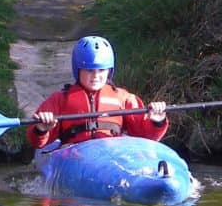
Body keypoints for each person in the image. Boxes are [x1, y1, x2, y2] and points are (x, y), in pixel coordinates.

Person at [27, 35, 168, 149]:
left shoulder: (123, 98)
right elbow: (37, 143)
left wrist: (157, 122)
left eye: (101, 70)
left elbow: (147, 138)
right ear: (78, 70)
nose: (95, 76)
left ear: (109, 71)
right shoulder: (59, 99)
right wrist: (41, 128)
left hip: (112, 154)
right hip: (75, 154)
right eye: (89, 70)